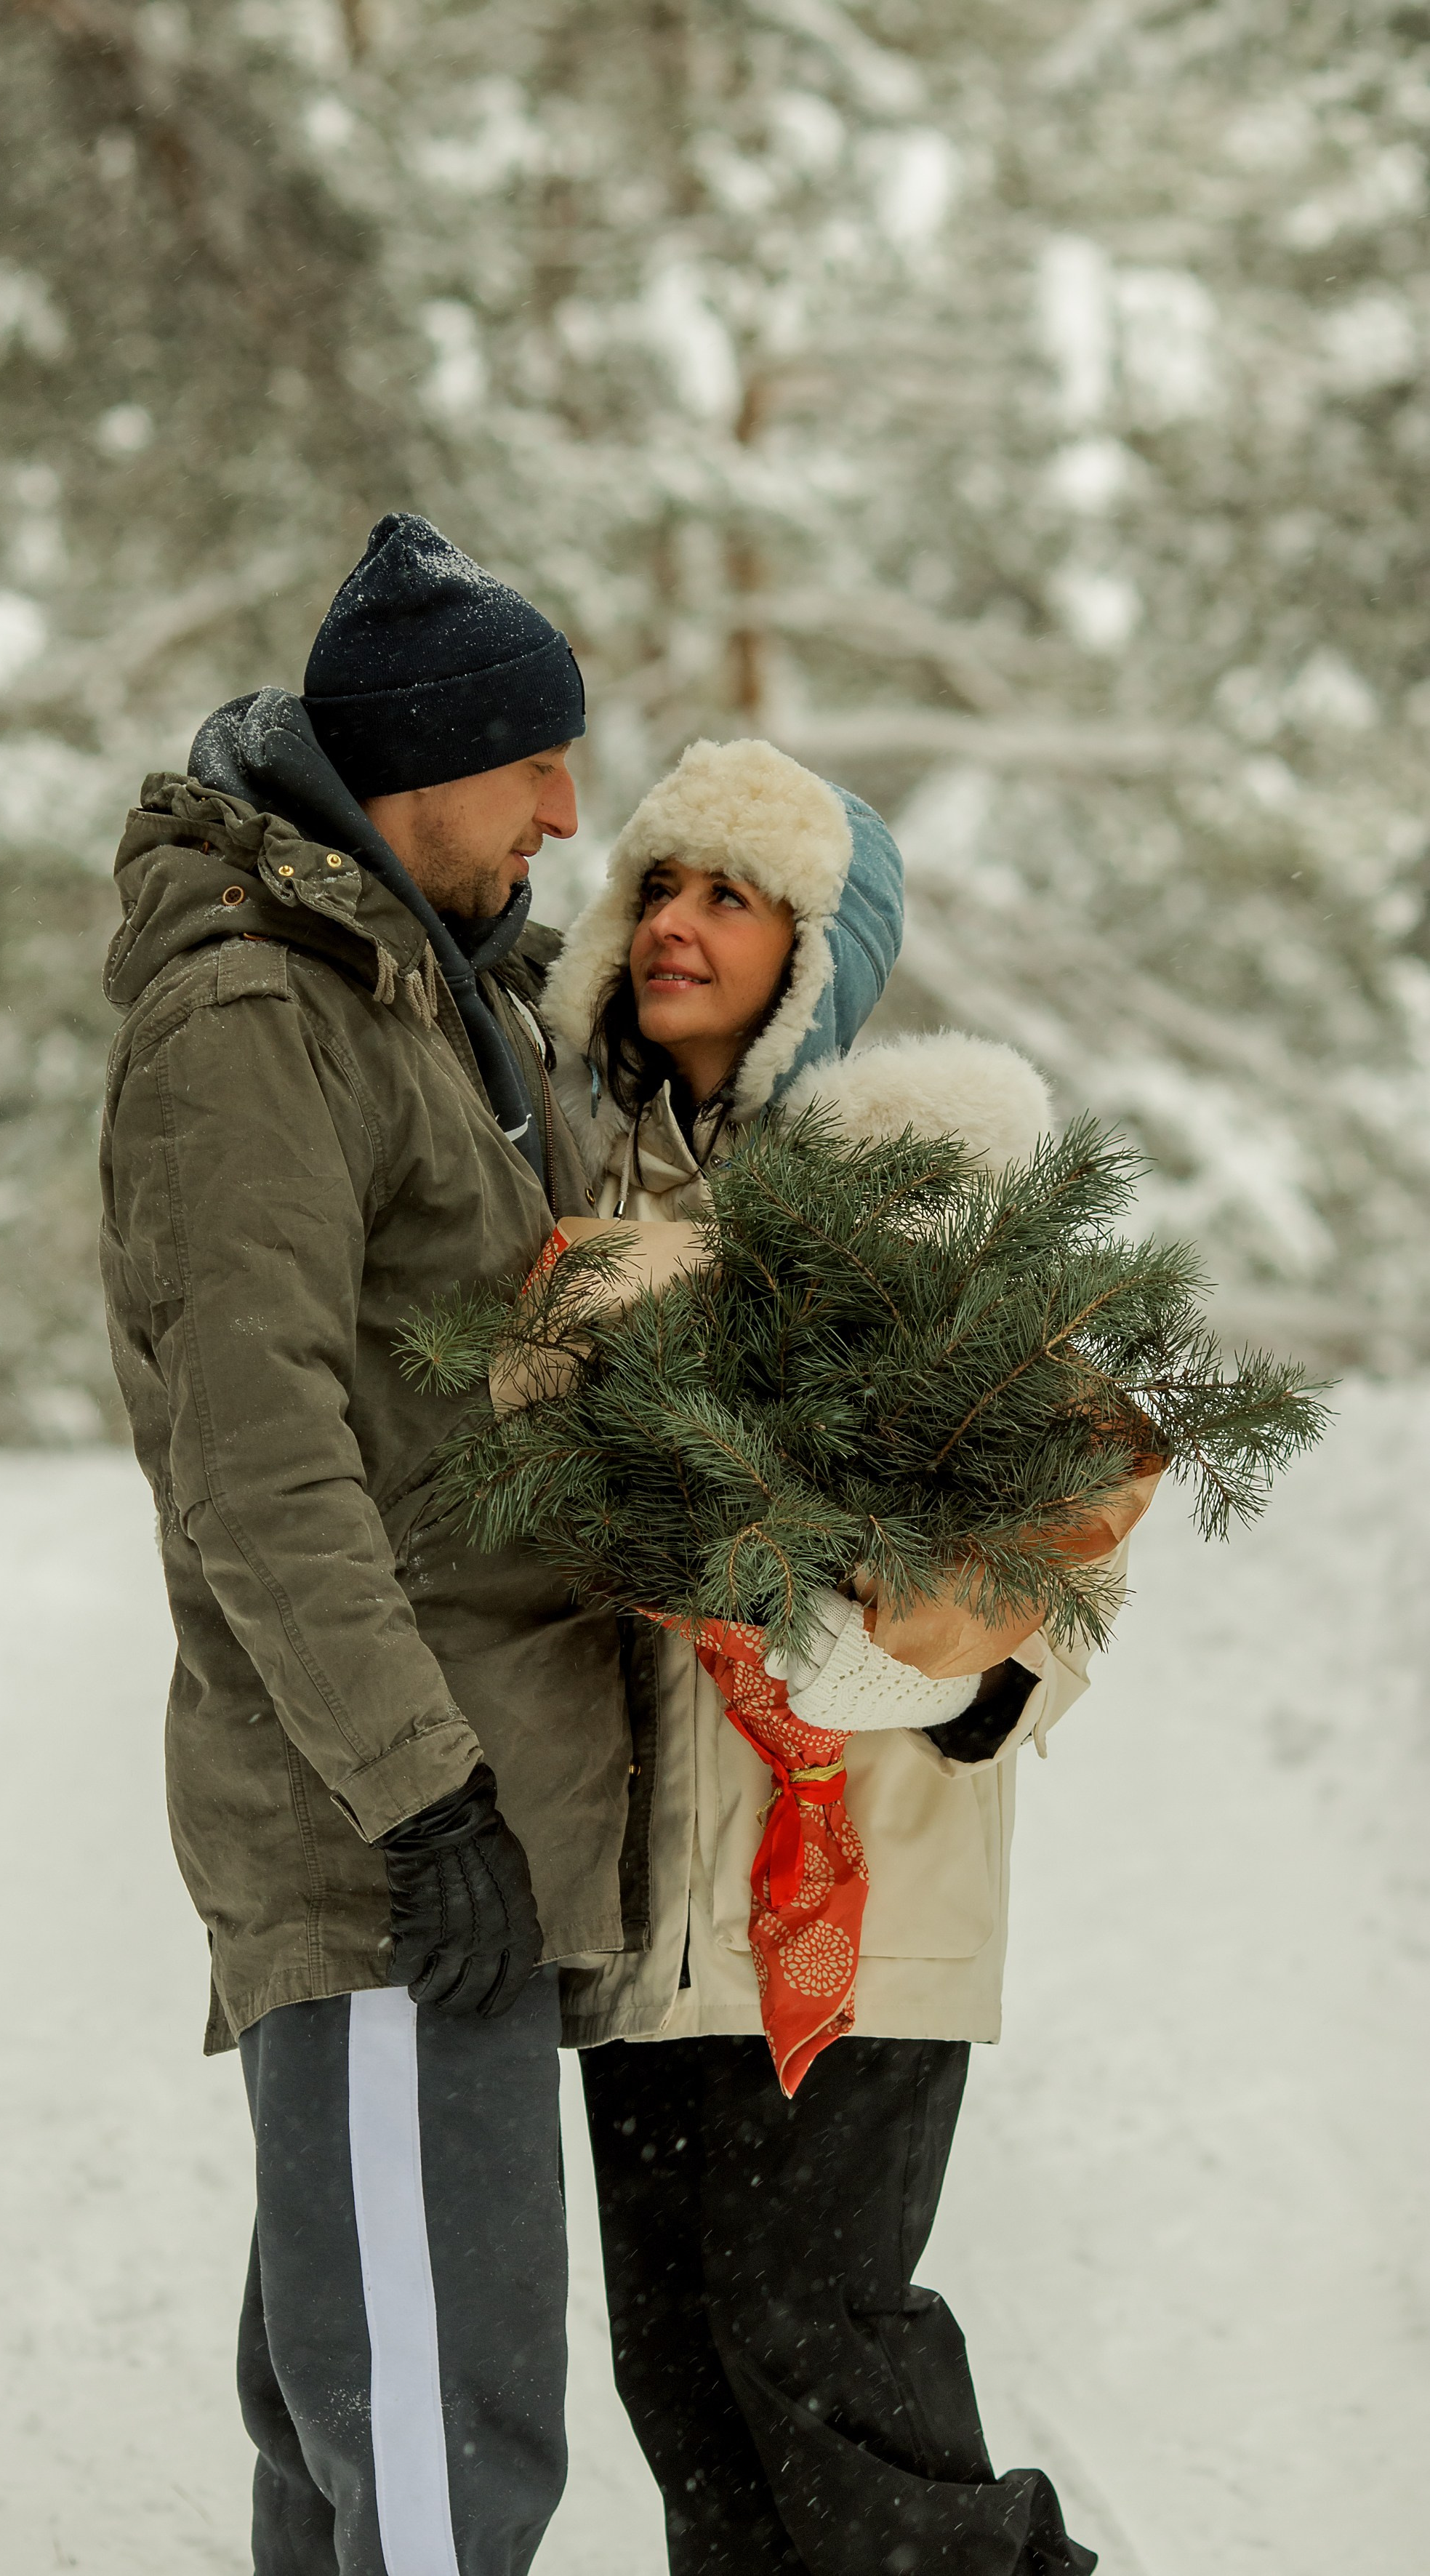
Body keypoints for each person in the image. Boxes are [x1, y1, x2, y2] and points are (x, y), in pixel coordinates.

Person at [100, 513, 638, 2576]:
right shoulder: (259, 1020)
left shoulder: (425, 1000)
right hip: (393, 1837)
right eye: (534, 774)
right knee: (436, 2444)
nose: (563, 819)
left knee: (378, 2422)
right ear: (421, 769)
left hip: (456, 1814)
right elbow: (259, 1459)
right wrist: (425, 1810)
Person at [542, 735, 1119, 2576]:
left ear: (815, 951)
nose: (675, 923)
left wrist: (951, 1677)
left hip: (845, 1894)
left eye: (731, 892)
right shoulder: (572, 1191)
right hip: (643, 1908)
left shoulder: (919, 1200)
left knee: (822, 2338)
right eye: (658, 882)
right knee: (681, 2374)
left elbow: (1071, 1522)